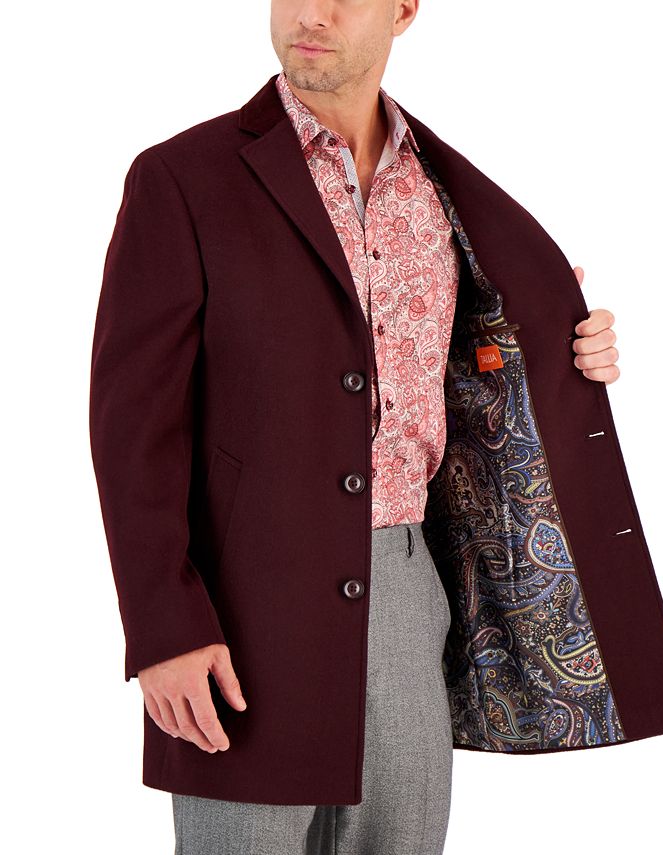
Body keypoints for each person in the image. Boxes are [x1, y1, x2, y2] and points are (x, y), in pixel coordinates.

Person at [91, 2, 628, 854]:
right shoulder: (182, 179)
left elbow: (474, 365)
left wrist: (566, 352)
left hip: (410, 596)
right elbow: (132, 429)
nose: (312, 13)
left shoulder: (443, 193)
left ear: (404, 9)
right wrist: (165, 628)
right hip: (244, 609)